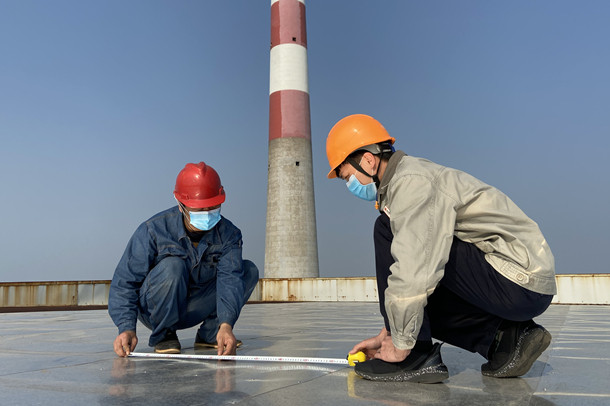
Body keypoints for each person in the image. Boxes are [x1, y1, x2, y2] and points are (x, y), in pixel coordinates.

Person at [326, 114, 556, 382]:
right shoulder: (406, 181)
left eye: (346, 177)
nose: (349, 185)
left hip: (518, 278)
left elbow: (414, 267)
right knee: (413, 304)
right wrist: (389, 334)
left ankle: (413, 356)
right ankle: (505, 339)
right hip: (517, 282)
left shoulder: (412, 183)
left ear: (367, 159)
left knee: (390, 235)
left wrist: (401, 345)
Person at [109, 162, 259, 357]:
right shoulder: (153, 230)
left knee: (248, 271)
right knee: (173, 266)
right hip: (155, 309)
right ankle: (164, 335)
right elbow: (125, 283)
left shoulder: (229, 235)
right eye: (199, 209)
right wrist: (126, 327)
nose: (206, 214)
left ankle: (212, 334)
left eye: (212, 207)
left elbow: (229, 280)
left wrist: (226, 324)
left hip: (194, 306)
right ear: (181, 205)